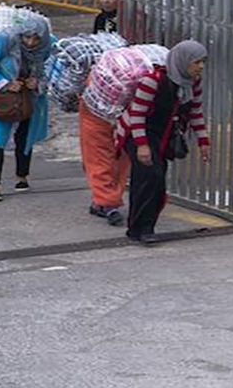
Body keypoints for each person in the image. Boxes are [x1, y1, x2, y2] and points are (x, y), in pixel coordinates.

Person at [117, 40, 211, 245]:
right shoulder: (153, 81)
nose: (200, 67)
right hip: (138, 133)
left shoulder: (192, 83)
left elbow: (195, 111)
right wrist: (142, 145)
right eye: (197, 62)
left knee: (157, 181)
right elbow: (137, 114)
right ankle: (138, 229)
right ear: (183, 61)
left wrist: (203, 141)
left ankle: (146, 227)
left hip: (164, 135)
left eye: (203, 62)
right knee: (149, 177)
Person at [0, 18, 51, 202]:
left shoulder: (47, 44)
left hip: (29, 94)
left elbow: (49, 68)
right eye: (27, 38)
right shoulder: (4, 40)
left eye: (36, 39)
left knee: (26, 135)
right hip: (1, 95)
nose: (31, 43)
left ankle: (22, 176)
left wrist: (38, 83)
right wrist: (5, 84)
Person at [80, 88, 131, 226]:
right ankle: (108, 202)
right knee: (101, 158)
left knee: (107, 157)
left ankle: (104, 200)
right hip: (101, 109)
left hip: (99, 106)